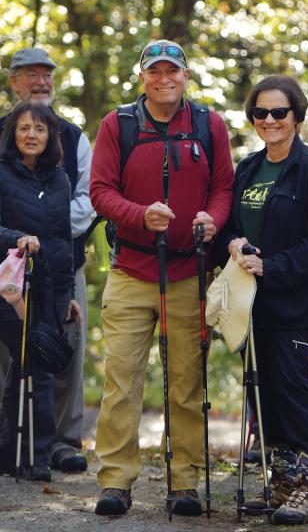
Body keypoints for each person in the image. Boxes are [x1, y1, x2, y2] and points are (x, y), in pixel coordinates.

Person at [89, 39, 234, 516]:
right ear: (143, 78)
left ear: (186, 76)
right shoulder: (119, 124)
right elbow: (100, 191)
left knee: (186, 384)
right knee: (122, 380)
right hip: (131, 269)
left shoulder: (210, 125)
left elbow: (223, 187)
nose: (164, 78)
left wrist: (211, 218)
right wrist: (138, 215)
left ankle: (184, 482)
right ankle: (116, 481)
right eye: (155, 71)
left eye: (172, 70)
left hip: (190, 271)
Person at [217, 75, 308, 524]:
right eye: (261, 113)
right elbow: (229, 225)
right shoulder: (248, 168)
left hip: (295, 305)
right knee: (264, 393)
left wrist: (274, 266)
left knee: (295, 391)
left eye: (279, 112)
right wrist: (232, 244)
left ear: (297, 116)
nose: (269, 120)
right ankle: (283, 482)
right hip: (252, 307)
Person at [0, 47, 93, 473]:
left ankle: (63, 440)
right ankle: (11, 443)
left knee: (63, 351)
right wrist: (23, 232)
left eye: (47, 75)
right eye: (31, 75)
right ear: (13, 83)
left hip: (61, 265)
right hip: (10, 273)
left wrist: (43, 227)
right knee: (11, 356)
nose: (41, 82)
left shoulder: (74, 137)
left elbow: (86, 201)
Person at [0, 101, 80, 482]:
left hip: (51, 287)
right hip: (6, 286)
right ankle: (37, 458)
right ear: (12, 134)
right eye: (24, 128)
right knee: (37, 363)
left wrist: (67, 293)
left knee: (27, 363)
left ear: (51, 136)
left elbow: (63, 240)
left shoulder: (60, 178)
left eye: (40, 128)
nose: (32, 135)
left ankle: (1, 454)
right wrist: (19, 239)